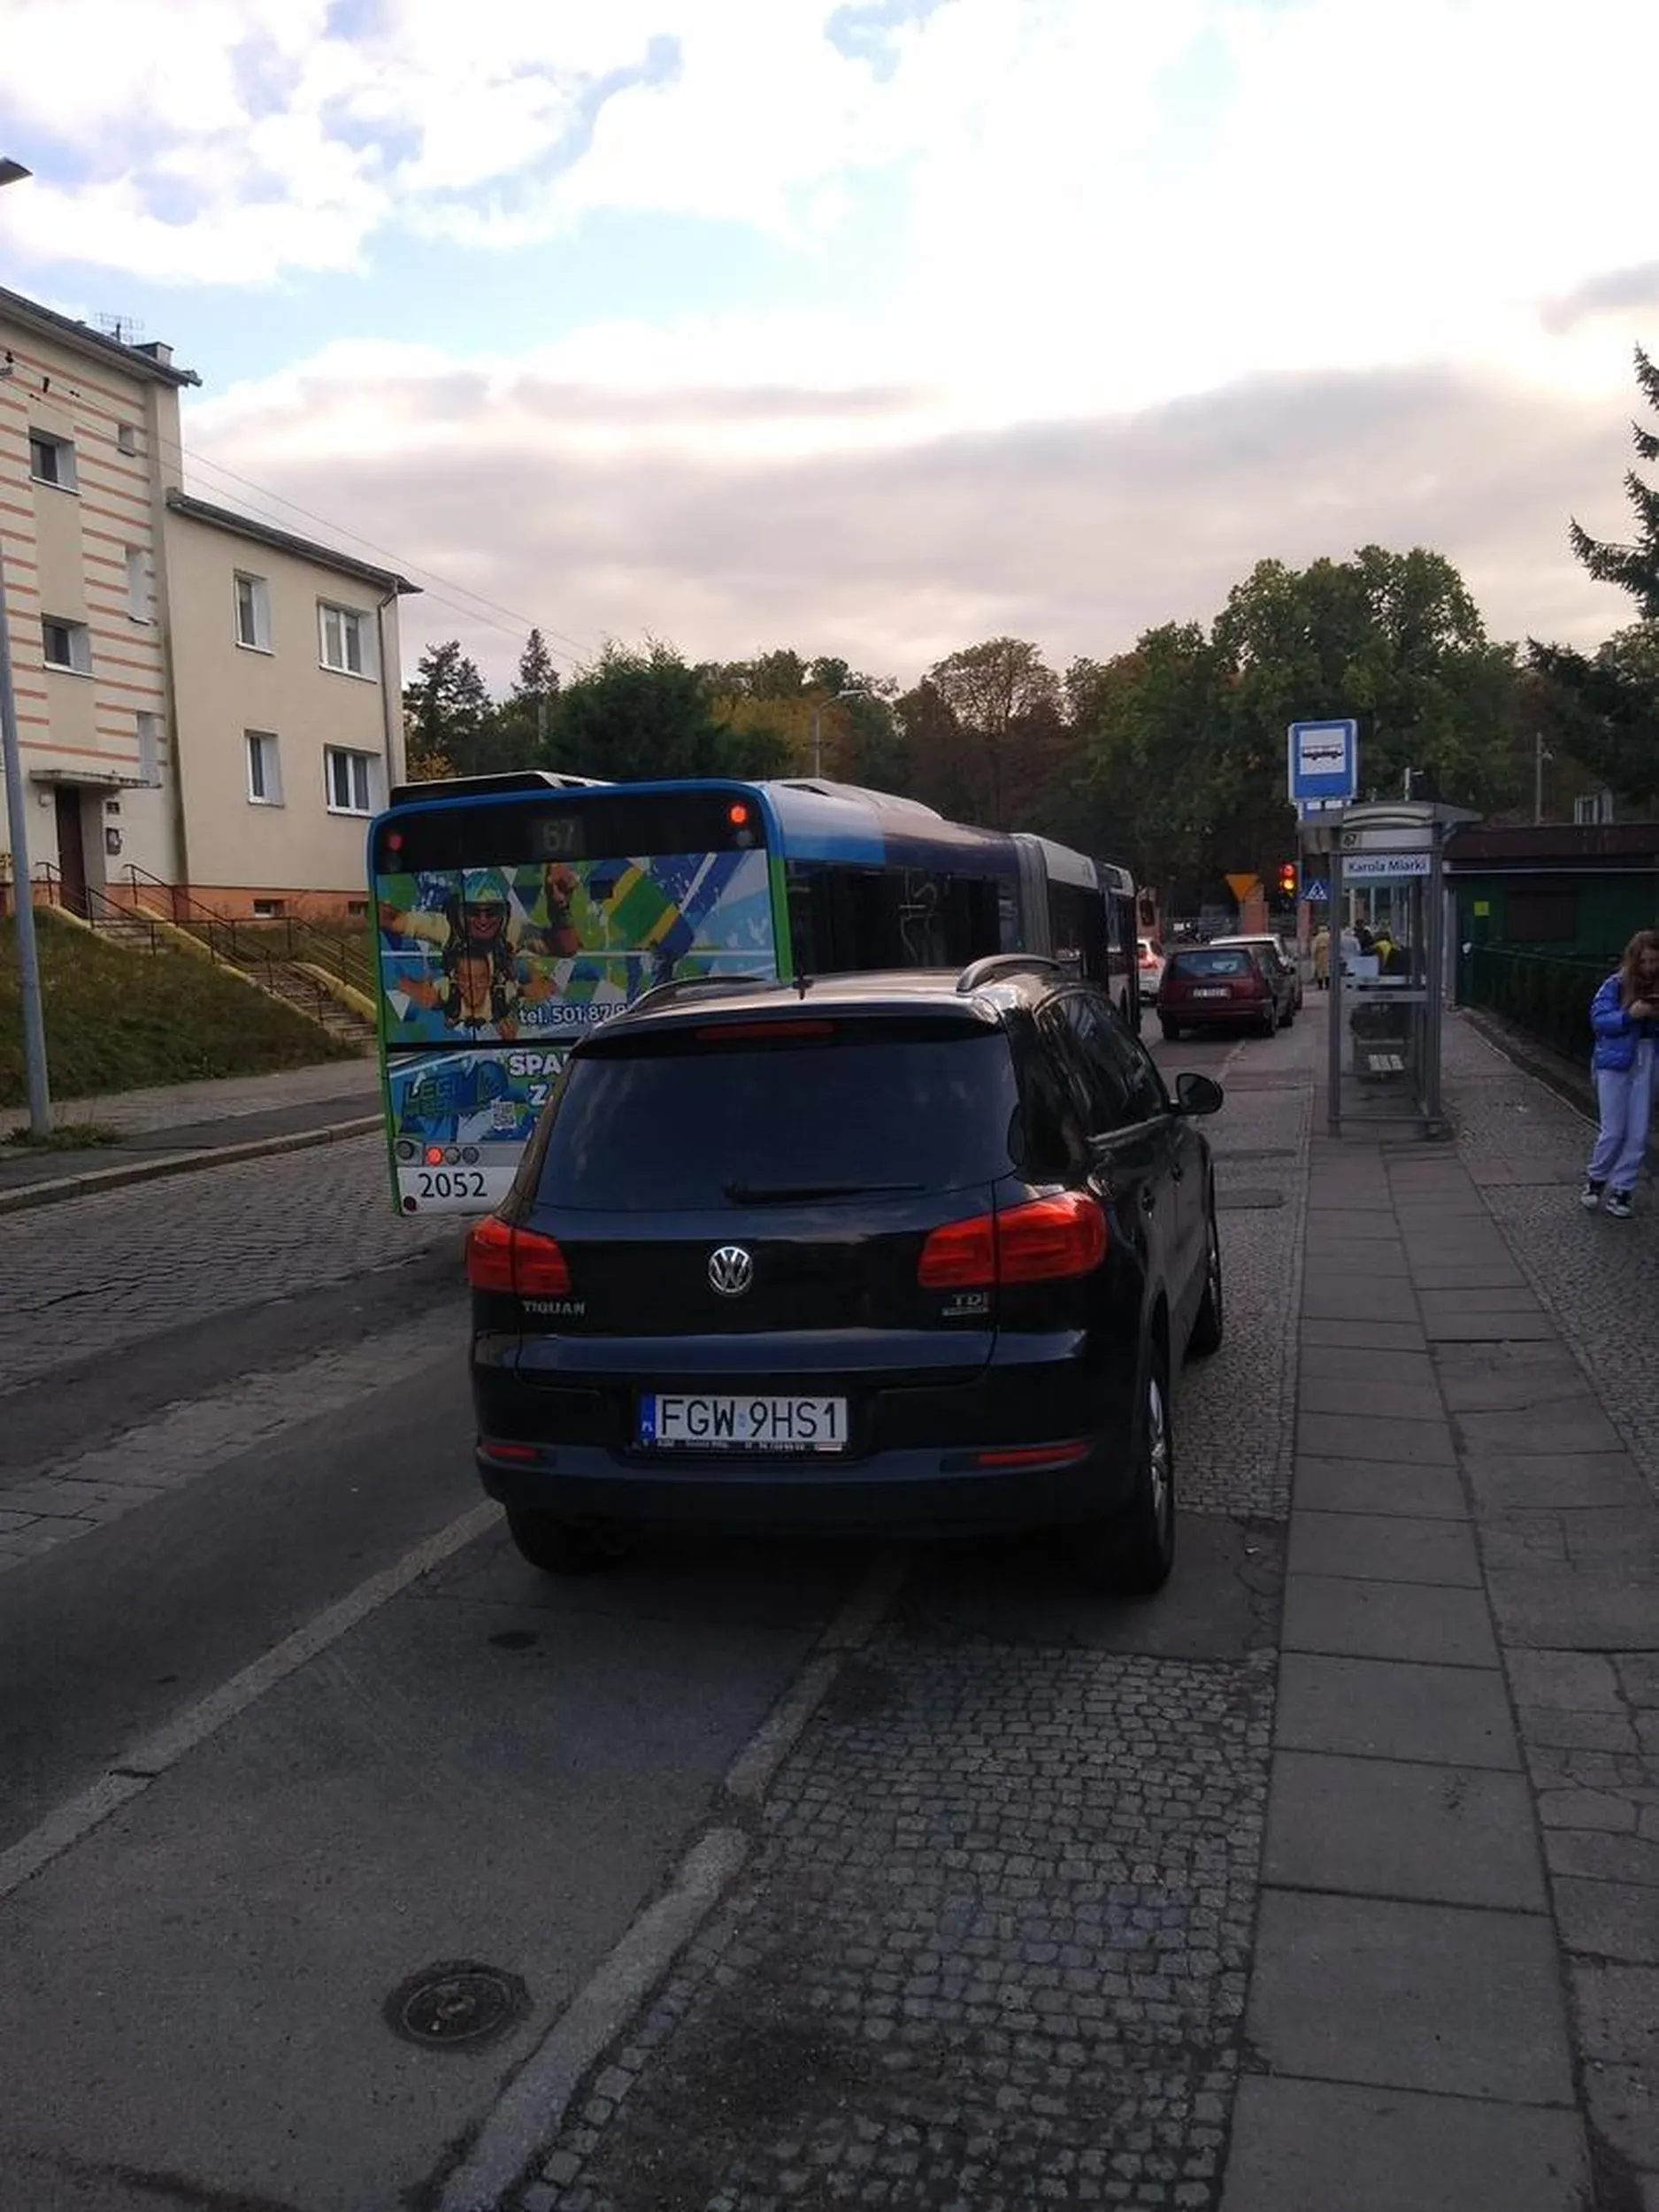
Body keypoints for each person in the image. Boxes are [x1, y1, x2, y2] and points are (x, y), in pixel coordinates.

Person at [1582, 928, 1659, 1217]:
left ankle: (1623, 1188)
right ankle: (1597, 1179)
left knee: (1638, 1130)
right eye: (1644, 961)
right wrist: (1629, 1016)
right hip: (1616, 1060)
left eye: (1654, 961)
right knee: (1614, 1129)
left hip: (1649, 1057)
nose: (1649, 967)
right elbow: (1599, 1019)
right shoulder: (1616, 985)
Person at [1311, 924, 1331, 989]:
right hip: (1328, 953)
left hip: (1319, 954)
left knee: (1320, 970)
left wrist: (1314, 956)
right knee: (1327, 969)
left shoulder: (1318, 937)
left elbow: (1314, 947)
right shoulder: (1329, 936)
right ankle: (1328, 985)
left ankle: (1320, 985)